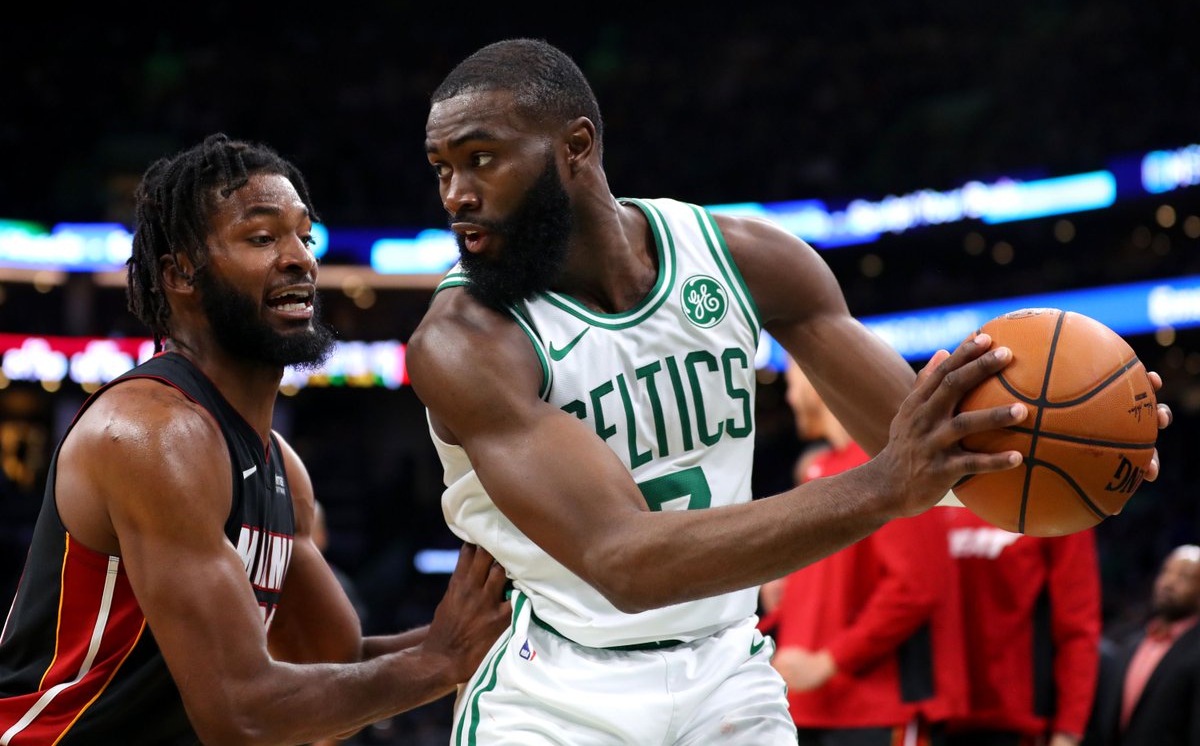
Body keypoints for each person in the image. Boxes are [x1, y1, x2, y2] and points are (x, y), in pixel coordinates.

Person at [405, 38, 1169, 744]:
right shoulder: (464, 339)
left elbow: (932, 454)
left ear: (576, 147)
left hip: (725, 672)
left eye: (481, 159)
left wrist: (1093, 439)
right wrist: (883, 485)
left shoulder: (743, 259)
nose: (456, 195)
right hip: (556, 686)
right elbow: (623, 561)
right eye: (442, 168)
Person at [0, 134, 511, 745]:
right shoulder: (153, 435)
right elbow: (242, 715)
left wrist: (500, 628)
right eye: (263, 238)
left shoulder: (279, 467)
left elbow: (331, 662)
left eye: (305, 237)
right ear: (180, 273)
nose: (299, 259)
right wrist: (440, 660)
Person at [757, 359, 966, 746]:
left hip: (880, 710)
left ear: (814, 380)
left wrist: (829, 660)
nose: (788, 397)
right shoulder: (822, 469)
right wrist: (791, 594)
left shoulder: (894, 468)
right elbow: (842, 583)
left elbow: (917, 587)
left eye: (791, 382)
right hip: (809, 707)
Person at [942, 503, 1102, 746]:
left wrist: (1069, 729)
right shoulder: (940, 499)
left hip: (1018, 724)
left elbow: (1078, 628)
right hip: (939, 719)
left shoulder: (1060, 503)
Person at [1084, 544, 1200, 746]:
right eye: (1166, 572)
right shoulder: (1131, 645)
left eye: (1184, 577)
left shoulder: (1194, 651)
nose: (1169, 583)